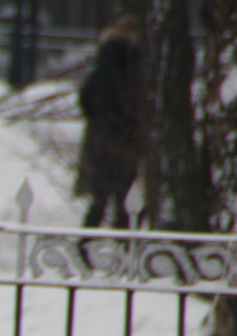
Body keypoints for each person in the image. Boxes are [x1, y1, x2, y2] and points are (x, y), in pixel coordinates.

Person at [77, 20, 143, 230]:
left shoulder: (103, 62)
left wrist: (98, 120)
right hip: (126, 137)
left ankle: (86, 240)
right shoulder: (133, 64)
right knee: (125, 199)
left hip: (100, 136)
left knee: (99, 199)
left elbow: (85, 97)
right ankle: (124, 241)